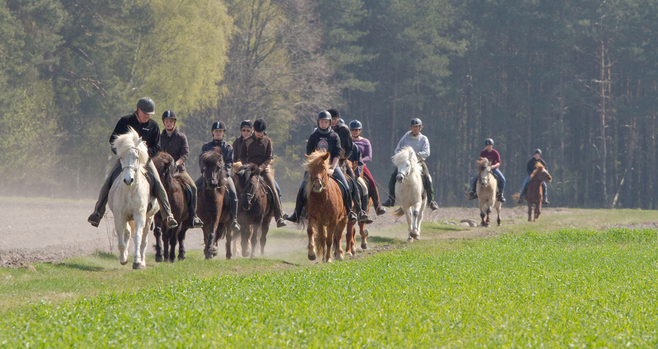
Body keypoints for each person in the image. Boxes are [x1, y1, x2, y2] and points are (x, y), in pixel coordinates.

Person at [88, 97, 178, 229]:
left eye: (150, 113)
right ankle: (97, 213)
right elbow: (113, 140)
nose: (147, 115)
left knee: (158, 183)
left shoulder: (153, 126)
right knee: (109, 181)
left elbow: (156, 147)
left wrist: (144, 153)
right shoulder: (125, 121)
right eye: (145, 112)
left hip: (144, 161)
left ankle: (168, 215)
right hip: (125, 160)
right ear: (138, 110)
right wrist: (121, 153)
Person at [284, 110, 358, 223]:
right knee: (302, 186)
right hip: (316, 166)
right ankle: (297, 212)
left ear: (329, 123)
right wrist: (313, 164)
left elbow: (337, 153)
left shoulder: (335, 136)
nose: (323, 124)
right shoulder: (314, 136)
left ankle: (349, 211)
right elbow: (309, 151)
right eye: (321, 122)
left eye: (325, 122)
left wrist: (333, 167)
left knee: (346, 186)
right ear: (318, 123)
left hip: (332, 165)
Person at [381, 118, 439, 210]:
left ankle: (431, 201)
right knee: (393, 176)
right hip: (405, 162)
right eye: (413, 127)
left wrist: (417, 155)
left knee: (427, 177)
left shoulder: (423, 139)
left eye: (416, 127)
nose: (414, 129)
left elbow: (427, 152)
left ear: (420, 128)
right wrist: (400, 156)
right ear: (411, 127)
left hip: (418, 162)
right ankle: (390, 199)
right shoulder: (405, 137)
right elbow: (397, 149)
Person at [239, 119, 287, 228]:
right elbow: (242, 156)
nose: (259, 133)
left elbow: (269, 157)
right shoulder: (247, 141)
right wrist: (247, 166)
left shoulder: (267, 141)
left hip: (263, 170)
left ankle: (279, 216)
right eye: (257, 131)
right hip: (249, 170)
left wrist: (260, 168)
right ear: (254, 130)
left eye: (260, 132)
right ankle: (236, 215)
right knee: (239, 186)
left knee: (275, 189)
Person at [159, 110, 204, 228]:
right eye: (167, 121)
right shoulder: (160, 137)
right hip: (163, 171)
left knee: (193, 187)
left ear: (174, 123)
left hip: (179, 169)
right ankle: (150, 215)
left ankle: (193, 216)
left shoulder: (181, 137)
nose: (169, 123)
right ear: (164, 123)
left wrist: (176, 163)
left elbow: (185, 154)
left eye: (171, 121)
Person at [196, 121, 240, 233]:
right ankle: (193, 216)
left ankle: (234, 219)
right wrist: (203, 171)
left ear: (223, 133)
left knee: (233, 193)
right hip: (208, 175)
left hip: (223, 175)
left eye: (220, 131)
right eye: (216, 131)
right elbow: (201, 160)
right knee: (194, 188)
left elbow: (230, 163)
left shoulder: (228, 147)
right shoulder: (206, 146)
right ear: (213, 132)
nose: (218, 133)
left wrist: (226, 175)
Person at [328, 108, 370, 223]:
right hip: (324, 161)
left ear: (338, 119)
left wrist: (344, 156)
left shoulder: (344, 130)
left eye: (335, 119)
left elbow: (350, 148)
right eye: (331, 119)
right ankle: (301, 211)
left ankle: (357, 210)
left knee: (352, 183)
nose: (333, 121)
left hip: (341, 161)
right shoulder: (321, 129)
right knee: (307, 179)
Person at [349, 120, 386, 216]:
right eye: (353, 130)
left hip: (361, 165)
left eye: (356, 130)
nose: (354, 132)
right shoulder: (347, 141)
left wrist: (359, 161)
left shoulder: (365, 141)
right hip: (348, 165)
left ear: (360, 130)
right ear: (350, 130)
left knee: (371, 181)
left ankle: (377, 205)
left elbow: (369, 157)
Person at [467, 138, 506, 202]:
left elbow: (499, 162)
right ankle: (473, 191)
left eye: (490, 145)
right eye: (487, 145)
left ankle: (501, 194)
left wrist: (494, 166)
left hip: (493, 169)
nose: (488, 146)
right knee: (474, 178)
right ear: (485, 146)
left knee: (503, 179)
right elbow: (480, 161)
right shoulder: (483, 152)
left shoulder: (495, 152)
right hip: (484, 170)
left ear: (492, 145)